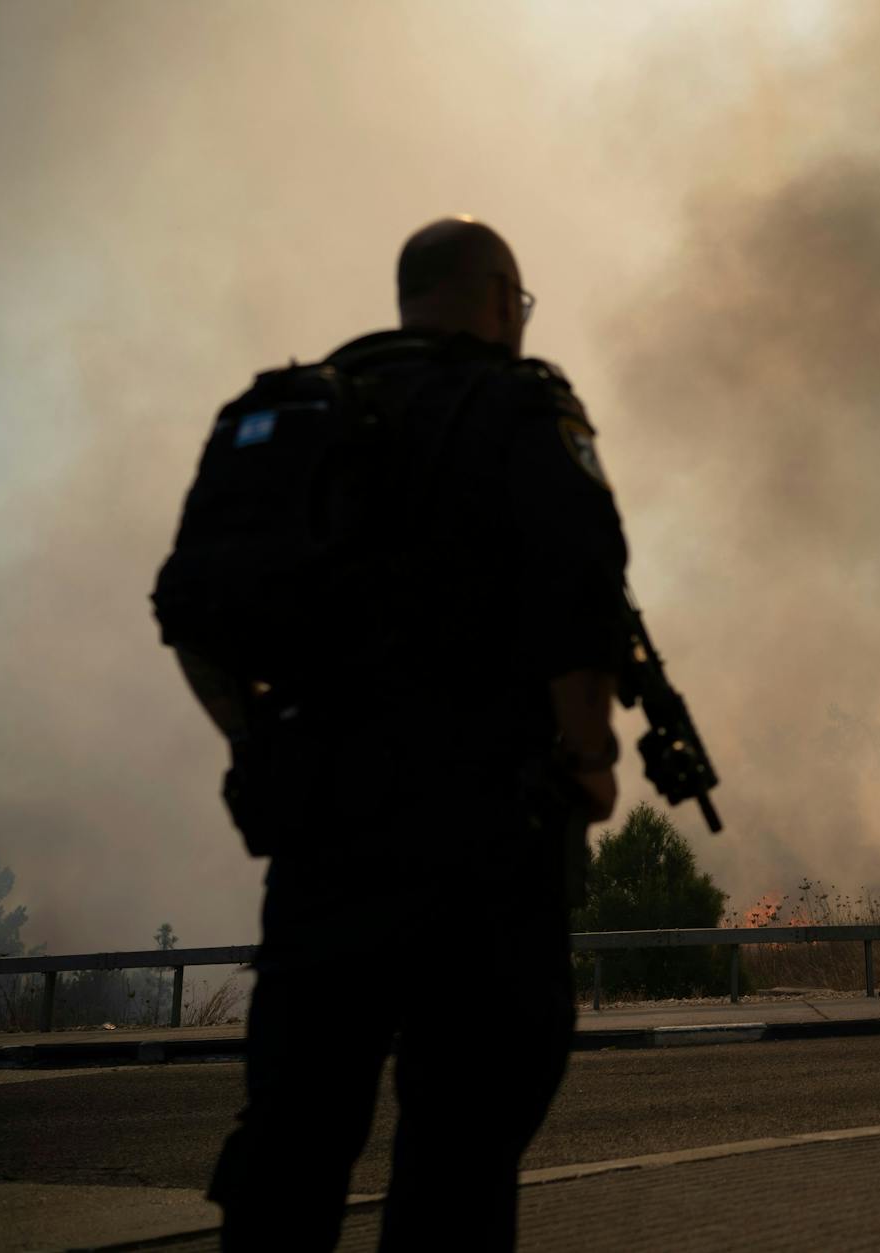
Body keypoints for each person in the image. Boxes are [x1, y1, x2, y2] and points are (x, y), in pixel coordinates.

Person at [180, 219, 630, 1251]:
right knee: (462, 1145)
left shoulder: (287, 416)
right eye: (517, 304)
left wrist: (261, 738)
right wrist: (591, 758)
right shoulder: (520, 407)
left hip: (323, 846)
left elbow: (191, 616)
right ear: (499, 296)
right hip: (484, 848)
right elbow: (580, 600)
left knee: (292, 1133)